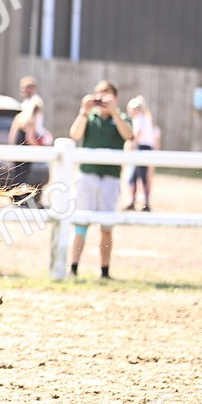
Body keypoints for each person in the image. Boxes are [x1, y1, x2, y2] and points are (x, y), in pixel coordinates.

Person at [68, 80, 133, 278]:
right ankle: (73, 268)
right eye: (100, 94)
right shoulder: (90, 117)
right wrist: (84, 111)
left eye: (107, 94)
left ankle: (105, 271)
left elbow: (129, 135)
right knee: (80, 224)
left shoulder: (121, 118)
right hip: (87, 175)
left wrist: (114, 112)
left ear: (116, 97)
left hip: (110, 178)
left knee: (106, 227)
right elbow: (75, 134)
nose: (103, 99)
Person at [124, 96, 159, 212]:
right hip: (146, 148)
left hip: (142, 148)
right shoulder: (146, 118)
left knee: (138, 176)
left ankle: (140, 202)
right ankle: (141, 202)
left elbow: (137, 133)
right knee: (139, 176)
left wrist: (131, 145)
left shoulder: (139, 118)